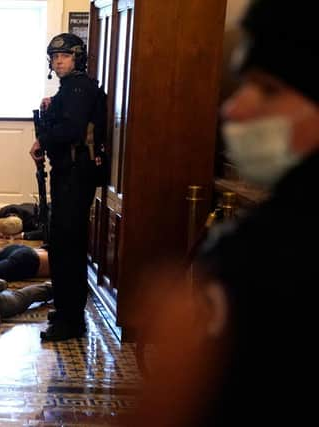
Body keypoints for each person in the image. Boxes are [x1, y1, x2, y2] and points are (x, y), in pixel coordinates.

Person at [131, 1, 319, 425]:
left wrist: (180, 344)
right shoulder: (266, 235)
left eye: (268, 89)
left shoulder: (270, 257)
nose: (233, 109)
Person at [29, 33, 102, 341]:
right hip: (68, 174)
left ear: (77, 58)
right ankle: (66, 310)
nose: (58, 61)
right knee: (61, 246)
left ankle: (71, 321)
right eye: (55, 57)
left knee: (68, 249)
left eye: (65, 56)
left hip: (75, 175)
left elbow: (71, 129)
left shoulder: (79, 87)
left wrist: (43, 137)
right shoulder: (70, 88)